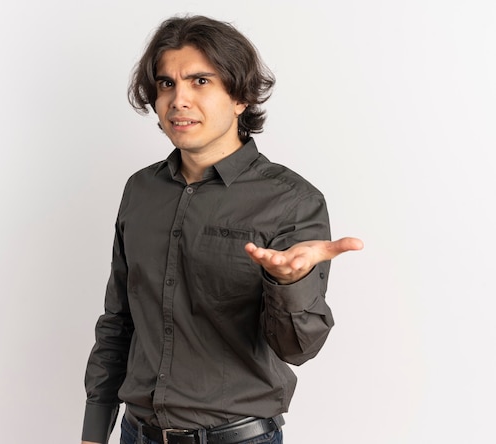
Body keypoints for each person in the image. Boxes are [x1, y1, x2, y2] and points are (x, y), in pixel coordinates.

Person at [81, 14, 363, 444]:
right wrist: (93, 430)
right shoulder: (140, 190)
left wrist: (290, 281)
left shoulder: (290, 201)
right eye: (167, 84)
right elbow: (119, 321)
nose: (178, 100)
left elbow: (298, 349)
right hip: (136, 434)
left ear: (239, 97)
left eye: (200, 82)